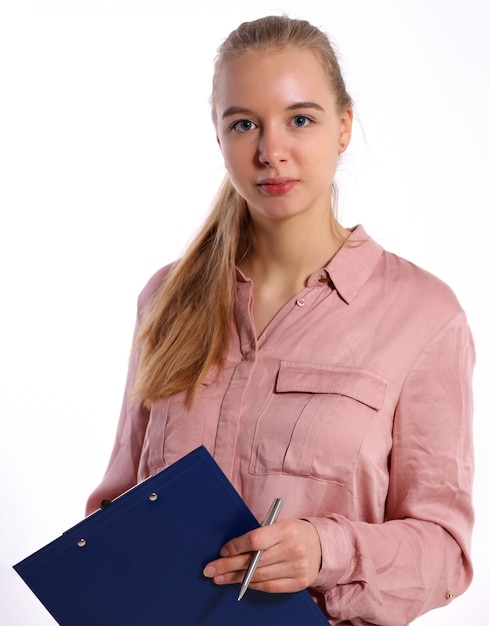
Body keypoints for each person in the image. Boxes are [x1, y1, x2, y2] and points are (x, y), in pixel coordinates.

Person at [86, 15, 474, 625]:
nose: (271, 151)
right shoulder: (166, 298)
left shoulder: (424, 316)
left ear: (344, 126)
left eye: (300, 119)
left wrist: (328, 551)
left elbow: (447, 555)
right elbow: (117, 505)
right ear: (218, 137)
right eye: (244, 124)